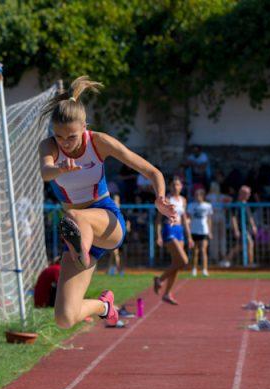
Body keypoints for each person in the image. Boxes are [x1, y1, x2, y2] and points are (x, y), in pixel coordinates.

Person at [40, 76, 176, 328]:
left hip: (106, 220)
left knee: (75, 218)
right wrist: (59, 167)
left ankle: (80, 251)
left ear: (84, 127)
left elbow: (152, 171)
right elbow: (45, 171)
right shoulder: (49, 147)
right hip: (78, 234)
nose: (65, 144)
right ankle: (106, 306)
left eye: (71, 137)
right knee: (64, 318)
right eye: (59, 137)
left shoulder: (99, 142)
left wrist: (159, 198)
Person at [153, 177, 191, 304]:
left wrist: (189, 236)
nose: (176, 187)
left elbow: (184, 218)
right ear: (170, 187)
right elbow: (158, 220)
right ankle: (160, 279)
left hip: (179, 230)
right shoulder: (166, 200)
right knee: (184, 261)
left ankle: (167, 293)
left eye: (178, 184)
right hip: (169, 229)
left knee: (177, 263)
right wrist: (158, 236)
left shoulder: (183, 200)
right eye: (173, 184)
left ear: (181, 187)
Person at [223, 185, 258, 267]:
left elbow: (249, 216)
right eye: (247, 193)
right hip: (240, 228)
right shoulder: (236, 204)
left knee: (240, 246)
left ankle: (227, 259)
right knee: (250, 243)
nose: (249, 195)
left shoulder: (246, 204)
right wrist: (236, 230)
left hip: (246, 227)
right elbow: (233, 217)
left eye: (249, 193)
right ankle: (250, 263)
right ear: (241, 193)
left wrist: (253, 226)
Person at [187, 186, 213, 277]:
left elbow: (209, 219)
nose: (197, 196)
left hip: (204, 230)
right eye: (196, 195)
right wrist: (188, 230)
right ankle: (194, 269)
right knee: (195, 251)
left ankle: (204, 269)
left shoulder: (208, 206)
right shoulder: (191, 205)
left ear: (203, 196)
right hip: (194, 230)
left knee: (203, 250)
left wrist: (210, 231)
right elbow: (188, 218)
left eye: (199, 195)